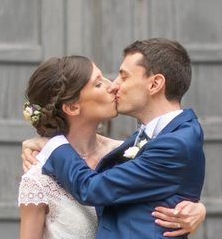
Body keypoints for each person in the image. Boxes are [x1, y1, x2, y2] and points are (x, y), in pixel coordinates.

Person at [24, 39, 206, 239]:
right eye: (100, 83)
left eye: (123, 77)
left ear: (154, 84)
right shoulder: (142, 140)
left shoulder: (173, 144)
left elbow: (93, 188)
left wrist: (53, 144)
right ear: (72, 107)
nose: (114, 86)